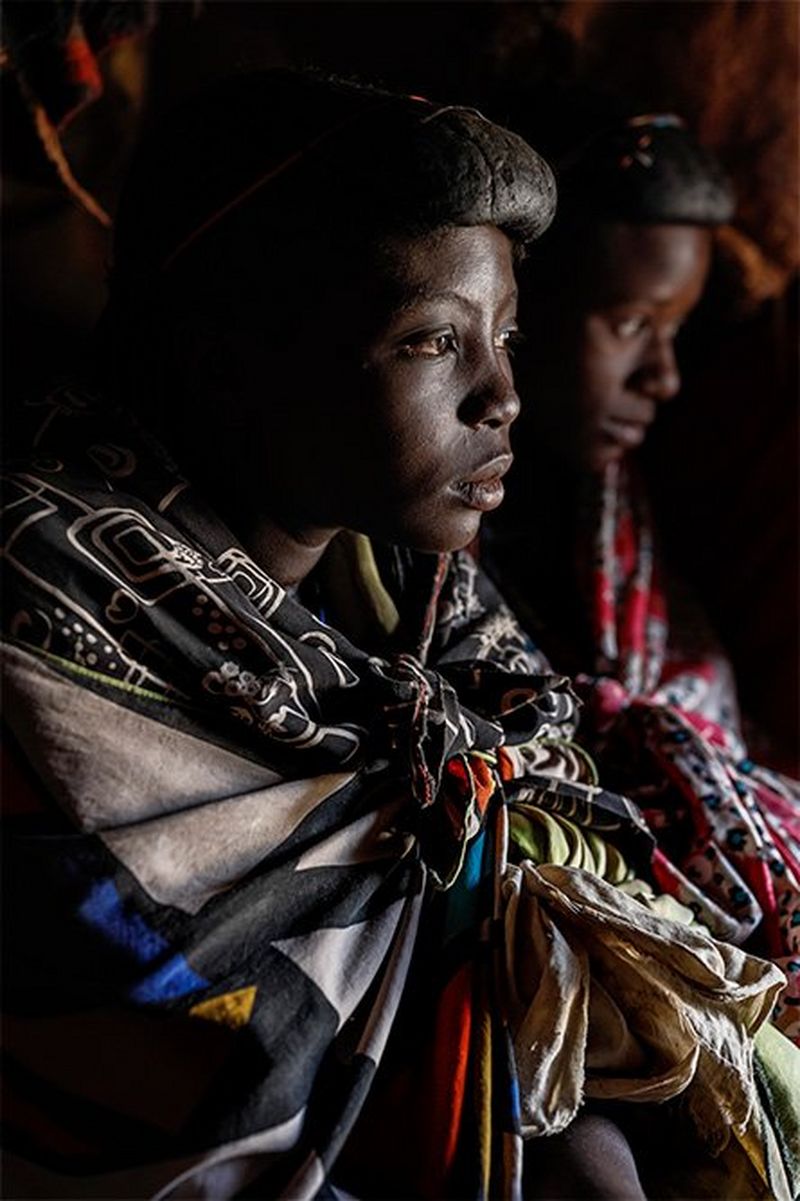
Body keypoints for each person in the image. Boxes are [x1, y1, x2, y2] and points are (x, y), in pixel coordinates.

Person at [1, 71, 796, 1200]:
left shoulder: (416, 595)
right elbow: (126, 1010)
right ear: (231, 351)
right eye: (433, 341)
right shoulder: (48, 595)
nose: (500, 394)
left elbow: (527, 817)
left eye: (507, 336)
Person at [488, 96, 800, 1045]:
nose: (662, 375)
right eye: (628, 323)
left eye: (676, 330)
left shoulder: (630, 536)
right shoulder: (427, 537)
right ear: (520, 309)